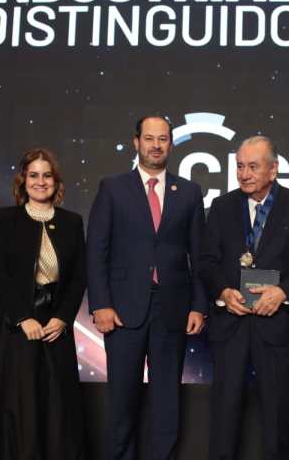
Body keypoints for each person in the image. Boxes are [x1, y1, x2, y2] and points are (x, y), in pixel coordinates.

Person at [87, 115, 206, 460]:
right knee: (122, 398)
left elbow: (200, 257)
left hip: (173, 309)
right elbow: (96, 251)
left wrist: (198, 306)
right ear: (136, 142)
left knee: (167, 401)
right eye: (149, 138)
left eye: (163, 139)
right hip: (122, 310)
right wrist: (100, 304)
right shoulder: (112, 188)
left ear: (171, 144)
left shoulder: (189, 192)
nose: (156, 145)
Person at [201, 136, 289, 460]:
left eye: (253, 167)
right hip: (231, 325)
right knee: (224, 415)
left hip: (277, 325)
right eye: (240, 166)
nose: (244, 174)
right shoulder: (222, 207)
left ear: (273, 169)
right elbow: (207, 261)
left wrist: (283, 292)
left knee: (277, 416)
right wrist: (223, 292)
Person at [0, 148, 86, 460]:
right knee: (17, 402)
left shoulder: (72, 222)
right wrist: (22, 318)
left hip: (55, 326)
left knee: (57, 404)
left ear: (56, 182)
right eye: (34, 175)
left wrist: (63, 318)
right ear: (23, 180)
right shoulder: (7, 218)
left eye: (47, 175)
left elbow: (79, 277)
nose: (40, 182)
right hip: (15, 327)